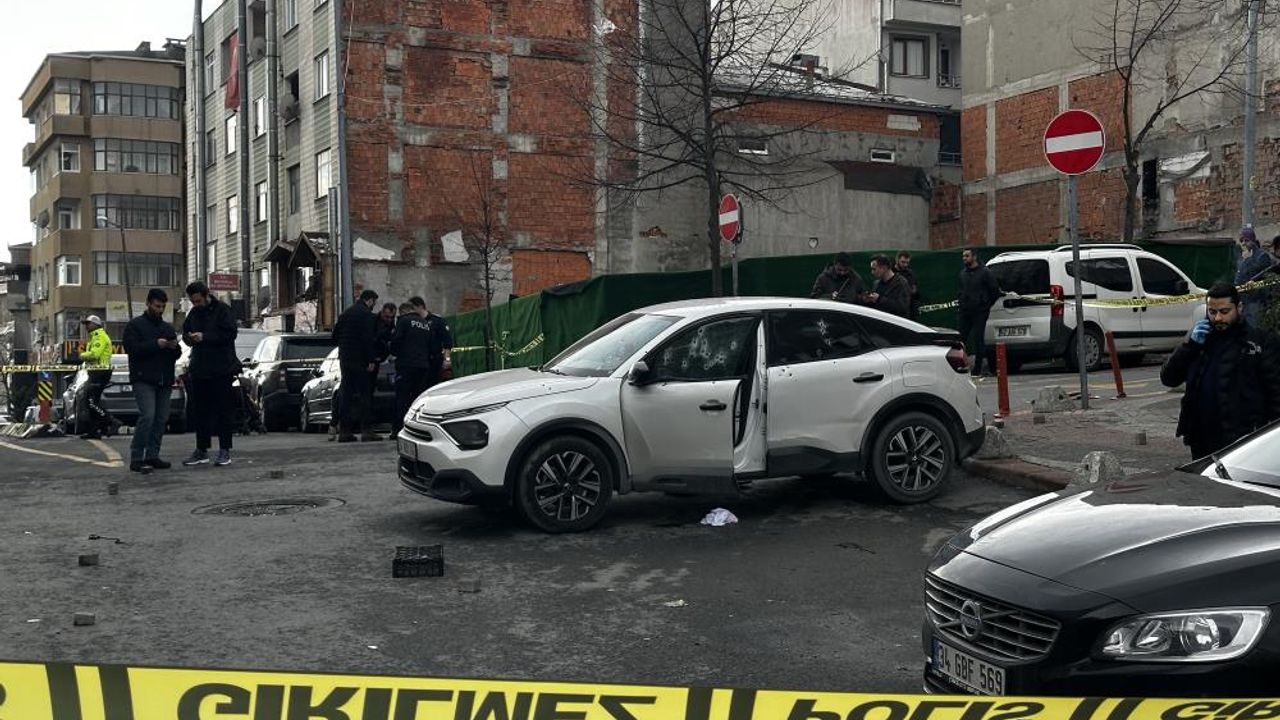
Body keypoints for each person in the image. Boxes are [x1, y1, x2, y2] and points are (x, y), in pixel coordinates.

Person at [1160, 282, 1280, 459]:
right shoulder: (1199, 339)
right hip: (1201, 437)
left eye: (1224, 312)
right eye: (1212, 312)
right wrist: (1189, 346)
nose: (1217, 318)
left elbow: (1276, 393)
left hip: (1242, 439)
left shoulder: (1258, 342)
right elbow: (1169, 378)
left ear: (1239, 308)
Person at [122, 289, 181, 474]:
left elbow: (177, 354)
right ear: (148, 304)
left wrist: (172, 347)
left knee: (161, 418)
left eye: (163, 306)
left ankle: (152, 455)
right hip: (143, 378)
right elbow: (132, 348)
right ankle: (137, 457)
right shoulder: (135, 325)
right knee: (148, 416)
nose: (160, 310)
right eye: (157, 306)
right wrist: (156, 344)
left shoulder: (167, 327)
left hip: (163, 379)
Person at [181, 281, 240, 467]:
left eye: (198, 301)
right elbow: (185, 332)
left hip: (221, 368)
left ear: (206, 295)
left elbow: (230, 334)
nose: (195, 305)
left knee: (223, 411)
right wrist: (189, 338)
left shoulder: (223, 310)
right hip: (200, 368)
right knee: (200, 411)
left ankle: (224, 450)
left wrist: (205, 337)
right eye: (193, 302)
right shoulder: (193, 313)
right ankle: (201, 449)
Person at [333, 289, 380, 442]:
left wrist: (344, 347)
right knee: (365, 394)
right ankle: (367, 431)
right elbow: (367, 338)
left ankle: (344, 431)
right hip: (360, 360)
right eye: (374, 302)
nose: (374, 306)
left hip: (345, 359)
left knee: (345, 394)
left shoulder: (346, 313)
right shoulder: (366, 315)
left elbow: (335, 336)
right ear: (370, 300)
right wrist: (371, 360)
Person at [390, 299, 434, 436]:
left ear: (404, 311)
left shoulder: (403, 321)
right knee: (418, 399)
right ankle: (417, 429)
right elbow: (431, 345)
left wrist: (394, 352)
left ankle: (400, 429)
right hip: (423, 366)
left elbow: (395, 343)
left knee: (402, 398)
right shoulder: (426, 323)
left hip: (406, 365)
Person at [957, 248, 1002, 377]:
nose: (964, 258)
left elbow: (995, 291)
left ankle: (978, 369)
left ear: (974, 257)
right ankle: (960, 366)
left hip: (979, 311)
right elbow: (961, 290)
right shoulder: (963, 274)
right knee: (960, 339)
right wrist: (961, 302)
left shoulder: (985, 272)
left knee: (978, 339)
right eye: (963, 256)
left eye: (967, 256)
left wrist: (985, 305)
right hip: (965, 311)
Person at [77, 315, 118, 440]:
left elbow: (95, 355)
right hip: (95, 372)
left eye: (88, 324)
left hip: (100, 372)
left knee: (91, 402)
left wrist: (81, 355)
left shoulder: (100, 336)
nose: (87, 326)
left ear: (96, 324)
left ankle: (111, 421)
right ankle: (94, 430)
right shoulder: (94, 337)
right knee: (92, 401)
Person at [1235, 227, 1274, 326]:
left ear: (1253, 240)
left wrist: (1247, 260)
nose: (1243, 243)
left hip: (1256, 300)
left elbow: (1257, 275)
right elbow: (1239, 276)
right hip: (1243, 299)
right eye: (1241, 240)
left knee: (1254, 328)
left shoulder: (1262, 256)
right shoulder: (1244, 256)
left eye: (1246, 240)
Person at [414, 297, 455, 385]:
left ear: (420, 307)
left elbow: (447, 342)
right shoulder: (414, 322)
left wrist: (447, 359)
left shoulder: (437, 321)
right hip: (420, 361)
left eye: (413, 308)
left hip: (435, 360)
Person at [895, 251, 920, 320]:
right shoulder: (891, 272)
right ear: (897, 260)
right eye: (903, 262)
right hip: (895, 310)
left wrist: (914, 290)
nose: (905, 265)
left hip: (910, 310)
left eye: (907, 262)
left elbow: (915, 291)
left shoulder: (910, 273)